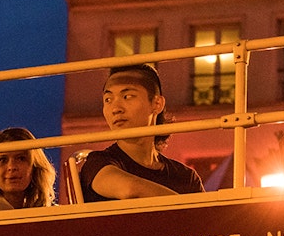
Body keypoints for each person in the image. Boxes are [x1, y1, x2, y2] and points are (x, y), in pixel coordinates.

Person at [79, 64, 204, 202]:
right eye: (108, 100)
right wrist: (186, 207)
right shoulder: (98, 163)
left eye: (127, 96)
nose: (115, 108)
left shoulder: (186, 177)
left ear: (157, 104)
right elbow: (130, 189)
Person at [0, 127, 56, 210]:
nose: (12, 167)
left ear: (34, 167)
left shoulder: (51, 212)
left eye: (21, 158)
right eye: (3, 160)